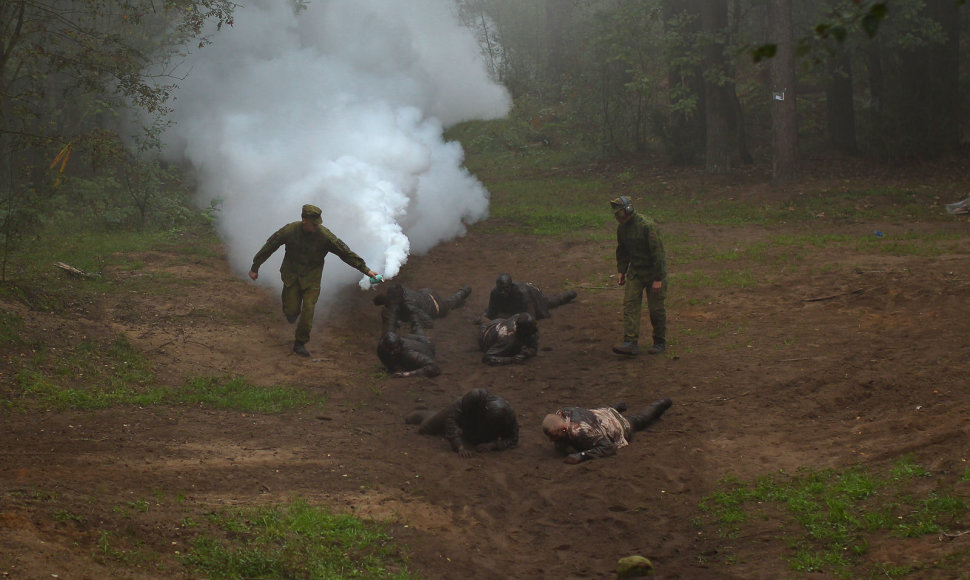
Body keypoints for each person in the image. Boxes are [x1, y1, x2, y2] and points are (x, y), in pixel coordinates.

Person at [249, 204, 380, 357]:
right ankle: (291, 314)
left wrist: (366, 270)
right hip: (291, 275)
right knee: (291, 310)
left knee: (308, 310)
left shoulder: (325, 236)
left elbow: (346, 253)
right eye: (314, 223)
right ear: (304, 220)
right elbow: (269, 247)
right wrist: (255, 267)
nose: (317, 226)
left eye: (318, 223)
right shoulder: (289, 230)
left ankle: (300, 343)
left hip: (312, 278)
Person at [610, 195, 667, 356]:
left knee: (656, 309)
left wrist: (658, 279)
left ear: (628, 210)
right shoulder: (622, 229)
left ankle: (659, 341)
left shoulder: (647, 226)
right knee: (630, 305)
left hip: (653, 272)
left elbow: (658, 255)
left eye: (619, 214)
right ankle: (630, 342)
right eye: (616, 215)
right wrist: (621, 270)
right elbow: (622, 250)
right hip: (635, 272)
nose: (618, 218)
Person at [541, 397, 672, 464]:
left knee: (639, 420)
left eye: (553, 436)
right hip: (602, 415)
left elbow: (609, 447)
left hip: (620, 427)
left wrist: (581, 456)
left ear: (564, 429)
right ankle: (615, 408)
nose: (551, 440)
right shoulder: (563, 412)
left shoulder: (581, 432)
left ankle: (661, 404)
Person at [405, 388, 519, 457]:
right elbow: (452, 419)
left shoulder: (508, 415)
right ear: (486, 410)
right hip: (463, 416)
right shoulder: (475, 397)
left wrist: (493, 445)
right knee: (425, 429)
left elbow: (513, 438)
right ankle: (422, 412)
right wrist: (459, 446)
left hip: (473, 431)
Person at [373, 282, 472, 334]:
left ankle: (465, 291)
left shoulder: (410, 306)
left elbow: (429, 322)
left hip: (436, 306)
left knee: (451, 302)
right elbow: (377, 300)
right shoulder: (397, 291)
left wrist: (410, 323)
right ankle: (464, 292)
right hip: (425, 292)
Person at [483, 273, 577, 321]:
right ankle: (569, 294)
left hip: (536, 298)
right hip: (517, 309)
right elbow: (490, 313)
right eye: (500, 289)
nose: (502, 292)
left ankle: (569, 295)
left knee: (551, 302)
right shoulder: (495, 293)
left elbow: (530, 317)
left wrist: (508, 317)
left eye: (505, 289)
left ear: (510, 286)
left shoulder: (522, 293)